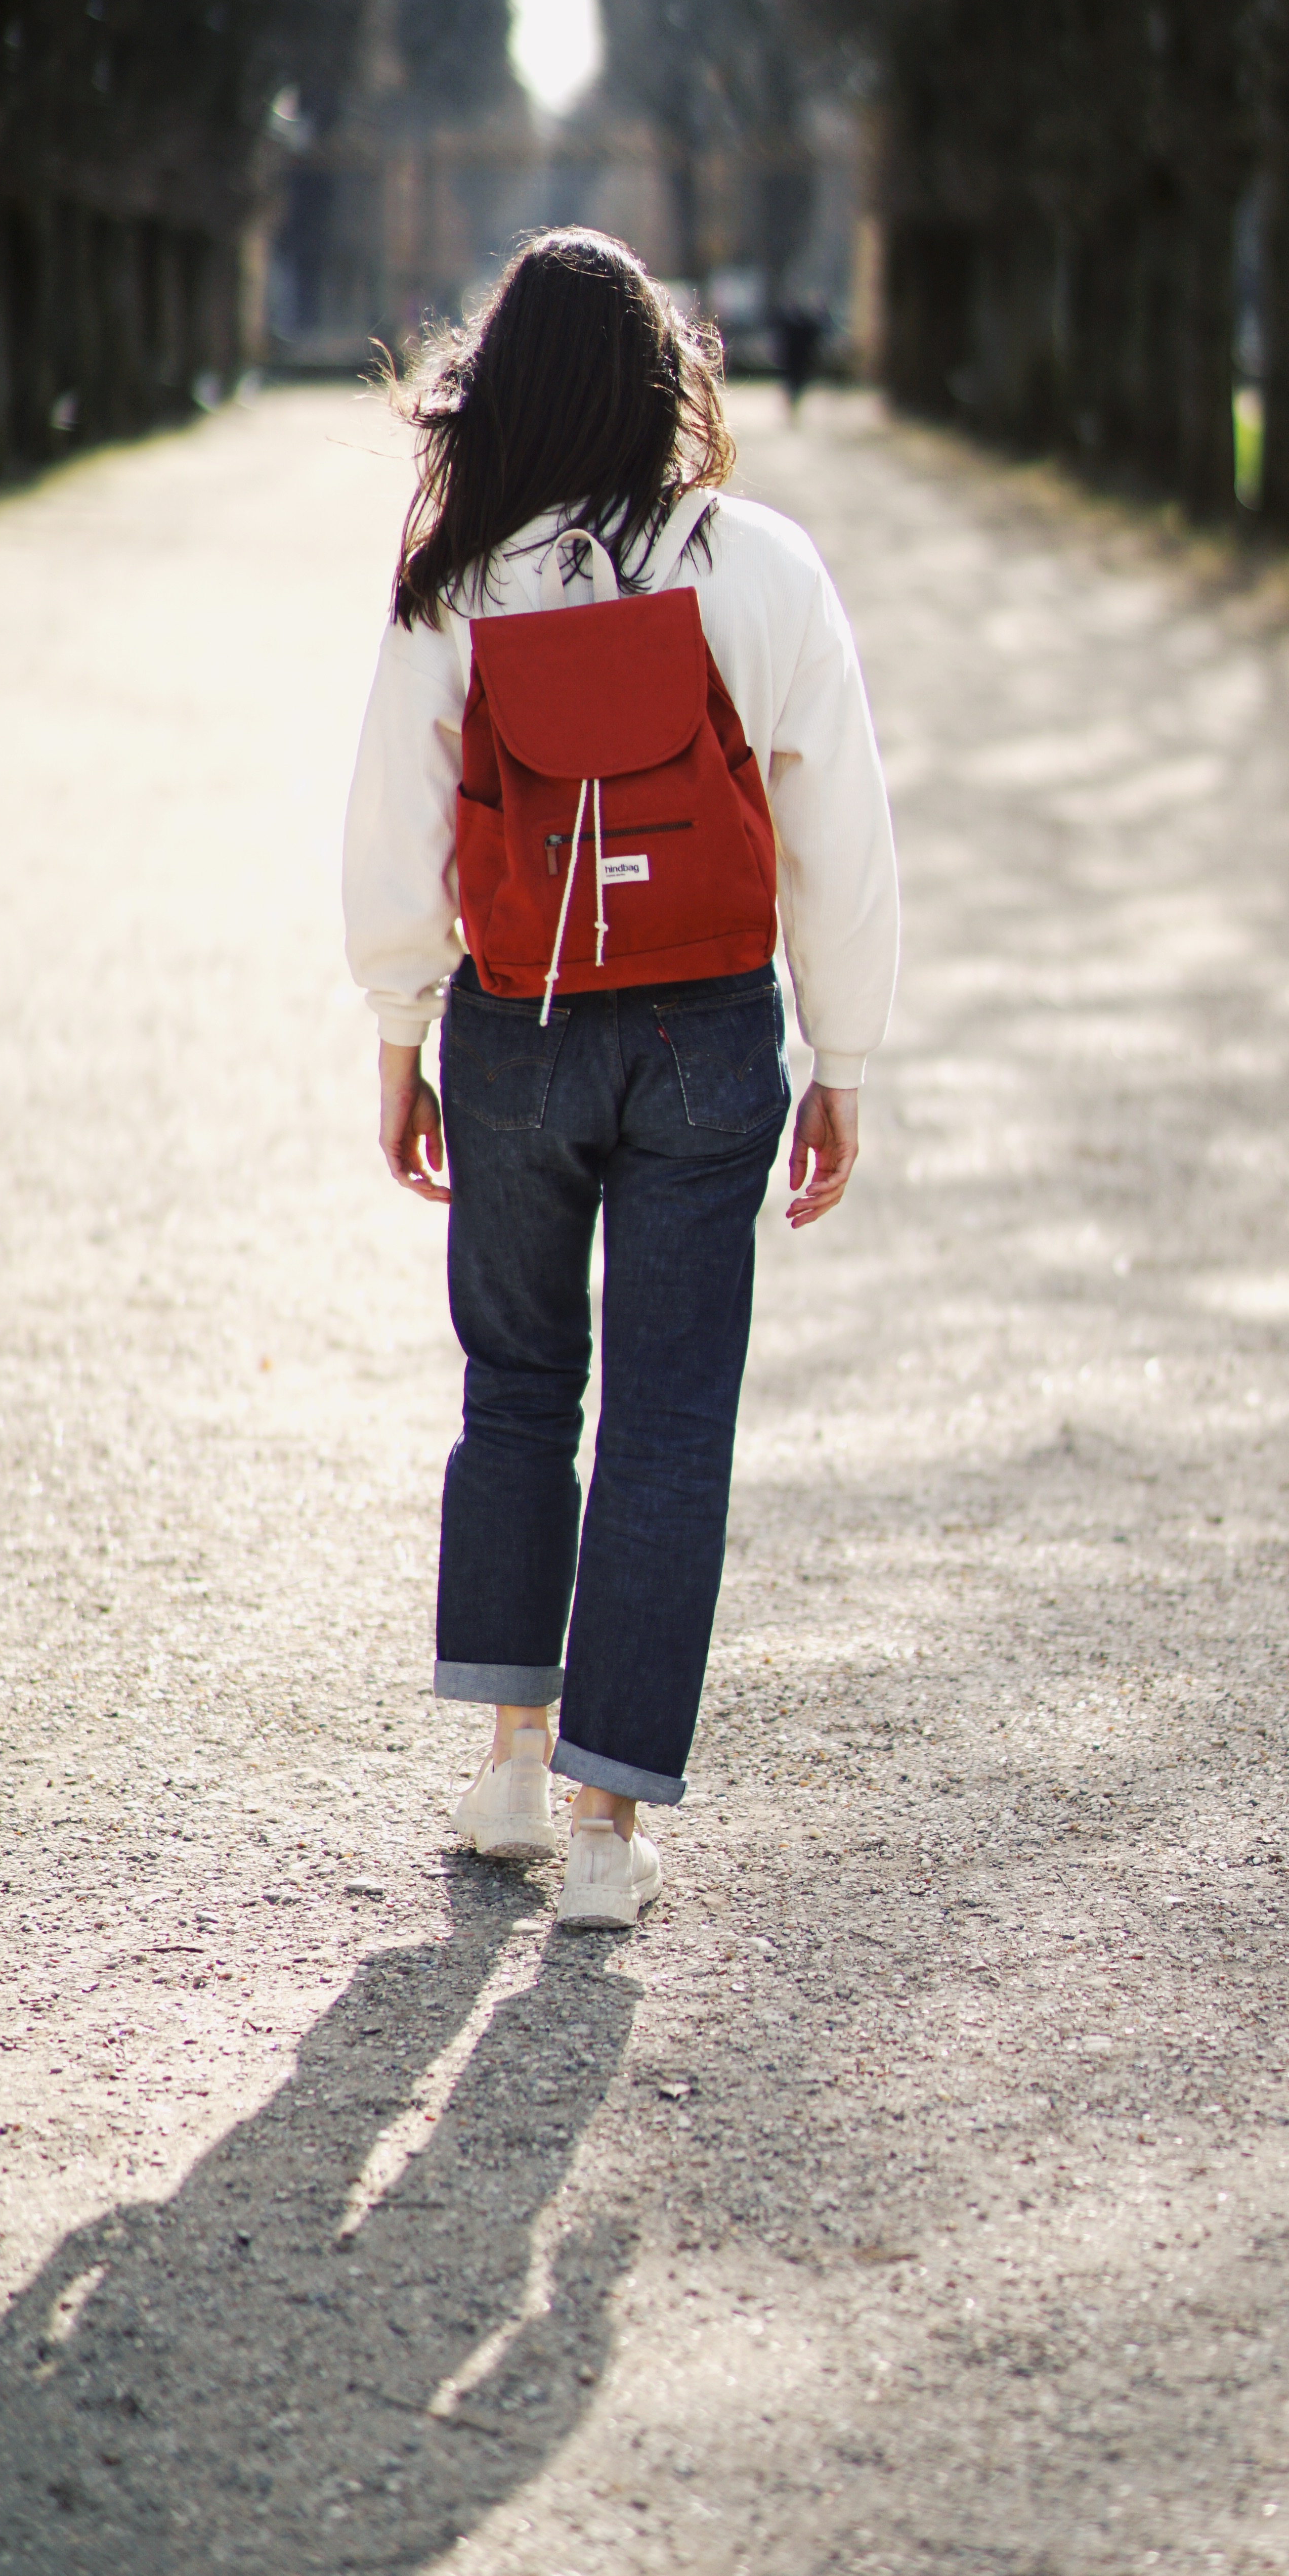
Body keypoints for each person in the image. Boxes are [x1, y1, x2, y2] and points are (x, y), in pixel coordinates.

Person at [343, 229, 897, 1930]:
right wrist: (845, 1054)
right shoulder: (762, 565)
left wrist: (400, 1034)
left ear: (501, 390)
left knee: (518, 1386)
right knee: (669, 1416)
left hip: (518, 1019)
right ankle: (607, 1830)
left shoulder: (459, 581)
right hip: (705, 1028)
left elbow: (397, 827)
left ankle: (511, 1762)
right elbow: (836, 827)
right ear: (668, 385)